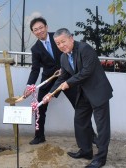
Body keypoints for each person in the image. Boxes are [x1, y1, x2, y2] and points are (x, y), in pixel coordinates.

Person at [43, 28, 113, 168]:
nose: (61, 45)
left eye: (63, 41)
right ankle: (86, 151)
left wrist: (68, 83)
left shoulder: (85, 49)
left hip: (98, 91)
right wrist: (51, 93)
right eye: (58, 44)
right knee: (80, 121)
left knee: (102, 126)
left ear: (71, 38)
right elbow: (62, 78)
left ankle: (100, 158)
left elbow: (87, 71)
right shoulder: (63, 57)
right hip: (83, 93)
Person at [24, 17, 81, 145]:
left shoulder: (58, 38)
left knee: (80, 106)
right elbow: (35, 69)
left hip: (67, 78)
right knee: (40, 108)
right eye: (35, 30)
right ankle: (39, 136)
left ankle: (91, 135)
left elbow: (71, 51)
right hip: (48, 79)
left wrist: (69, 69)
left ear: (46, 27)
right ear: (33, 32)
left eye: (41, 28)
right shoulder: (35, 49)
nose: (39, 31)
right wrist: (30, 85)